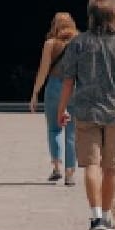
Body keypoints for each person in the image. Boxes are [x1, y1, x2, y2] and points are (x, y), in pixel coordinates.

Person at [57, 0, 115, 230]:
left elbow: (68, 81)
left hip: (85, 111)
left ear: (91, 18)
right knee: (110, 167)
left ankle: (96, 219)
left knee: (91, 165)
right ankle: (106, 215)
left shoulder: (78, 44)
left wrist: (62, 109)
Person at [28, 11, 79, 185]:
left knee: (55, 129)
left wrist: (35, 93)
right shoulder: (80, 42)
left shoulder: (50, 44)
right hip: (75, 88)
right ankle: (70, 173)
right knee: (72, 131)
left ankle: (57, 166)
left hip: (55, 86)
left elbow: (43, 71)